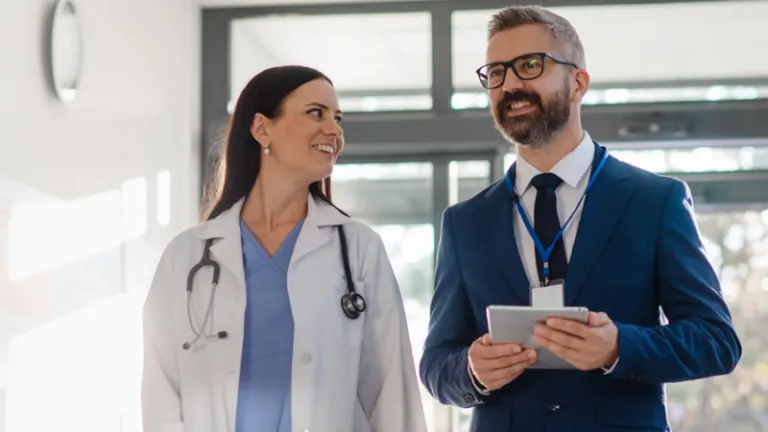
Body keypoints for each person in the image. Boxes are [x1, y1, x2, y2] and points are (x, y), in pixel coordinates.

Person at [419, 6, 741, 431]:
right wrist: (472, 370)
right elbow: (437, 364)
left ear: (579, 82)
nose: (510, 83)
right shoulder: (464, 222)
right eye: (496, 72)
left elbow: (716, 342)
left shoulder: (655, 201)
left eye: (530, 65)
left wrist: (619, 347)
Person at [141, 65, 427, 432]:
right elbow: (162, 395)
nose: (334, 130)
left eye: (338, 119)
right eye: (316, 113)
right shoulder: (187, 256)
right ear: (262, 128)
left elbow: (393, 394)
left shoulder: (358, 248)